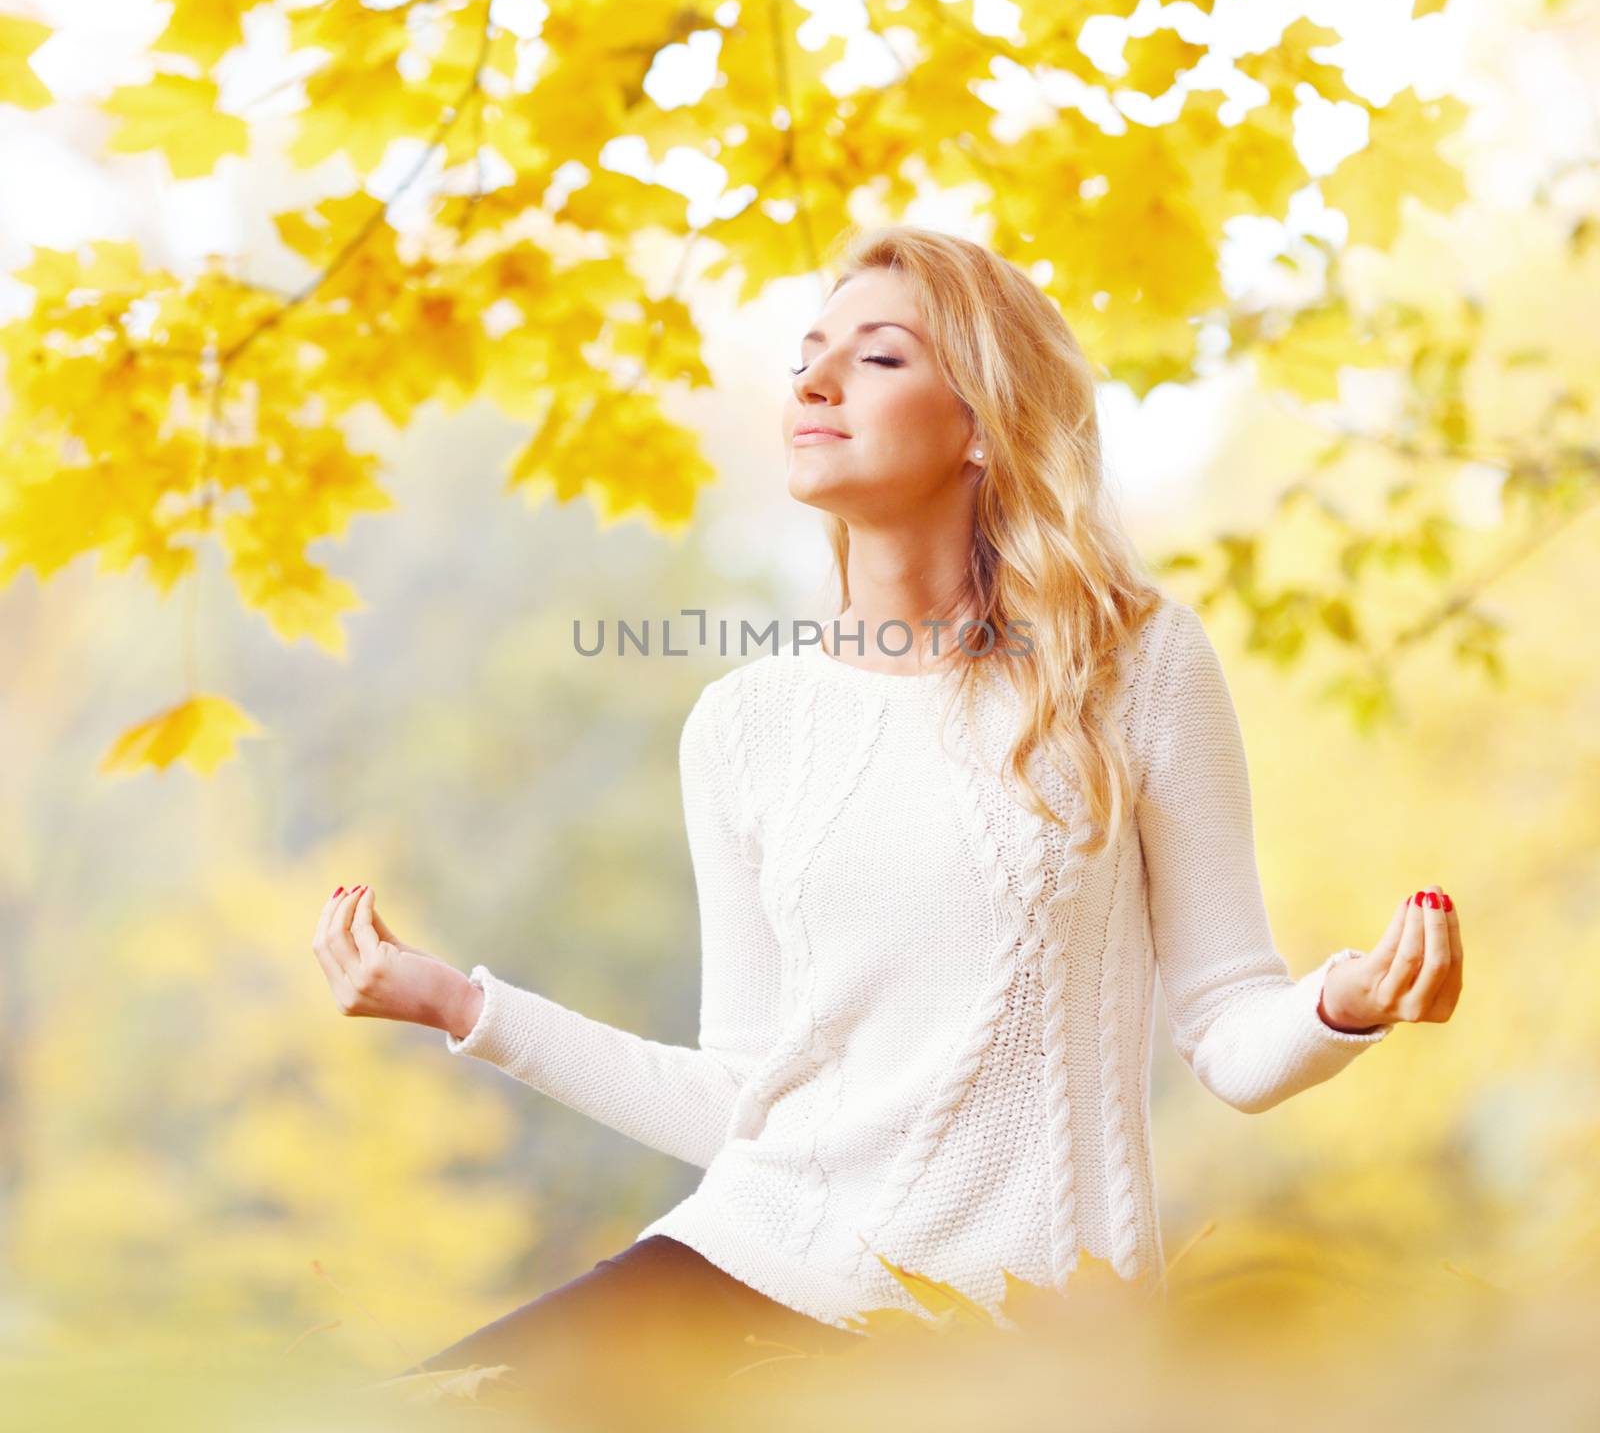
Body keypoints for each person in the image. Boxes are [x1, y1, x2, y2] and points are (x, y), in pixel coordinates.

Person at [312, 224, 1464, 1420]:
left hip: (1030, 1334)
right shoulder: (742, 725)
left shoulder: (1133, 666)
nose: (811, 381)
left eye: (877, 358)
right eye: (809, 355)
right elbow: (742, 1096)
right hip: (753, 1259)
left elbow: (1229, 1031)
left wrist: (1346, 1003)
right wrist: (461, 1005)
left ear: (979, 424)